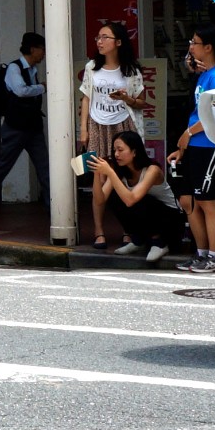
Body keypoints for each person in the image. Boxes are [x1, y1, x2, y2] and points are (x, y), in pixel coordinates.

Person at [78, 20, 149, 248]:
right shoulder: (92, 67)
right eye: (98, 37)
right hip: (98, 126)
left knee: (127, 178)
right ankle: (99, 231)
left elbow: (141, 102)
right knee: (99, 180)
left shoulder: (131, 71)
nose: (99, 41)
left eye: (104, 37)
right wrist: (83, 128)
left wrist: (125, 98)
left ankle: (129, 230)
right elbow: (86, 97)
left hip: (124, 126)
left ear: (118, 42)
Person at [167, 26, 215, 274]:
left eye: (195, 43)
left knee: (208, 201)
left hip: (209, 145)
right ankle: (202, 253)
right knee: (191, 201)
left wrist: (188, 133)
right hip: (195, 146)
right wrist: (185, 146)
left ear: (209, 47)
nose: (190, 48)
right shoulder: (204, 74)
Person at [0, 33, 46, 213]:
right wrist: (42, 87)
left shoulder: (32, 70)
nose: (44, 54)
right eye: (42, 49)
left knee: (44, 166)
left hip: (33, 126)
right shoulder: (14, 68)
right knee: (3, 164)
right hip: (16, 127)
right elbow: (20, 91)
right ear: (33, 49)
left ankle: (54, 204)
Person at [88, 129, 187, 265]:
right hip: (148, 219)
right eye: (114, 150)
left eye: (120, 150)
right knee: (115, 197)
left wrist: (110, 173)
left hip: (171, 223)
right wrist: (96, 173)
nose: (116, 154)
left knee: (140, 199)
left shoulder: (152, 170)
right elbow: (100, 200)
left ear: (134, 152)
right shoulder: (119, 171)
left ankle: (159, 243)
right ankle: (138, 240)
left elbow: (131, 200)